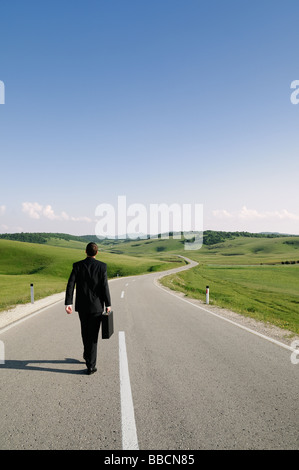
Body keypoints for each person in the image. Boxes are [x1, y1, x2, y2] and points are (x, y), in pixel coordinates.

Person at [65, 242, 111, 375]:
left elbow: (70, 284)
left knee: (85, 332)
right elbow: (105, 287)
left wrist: (68, 303)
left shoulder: (78, 265)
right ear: (97, 253)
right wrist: (108, 304)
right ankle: (91, 365)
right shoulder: (102, 266)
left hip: (82, 306)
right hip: (96, 307)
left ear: (85, 252)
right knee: (93, 336)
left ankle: (87, 355)